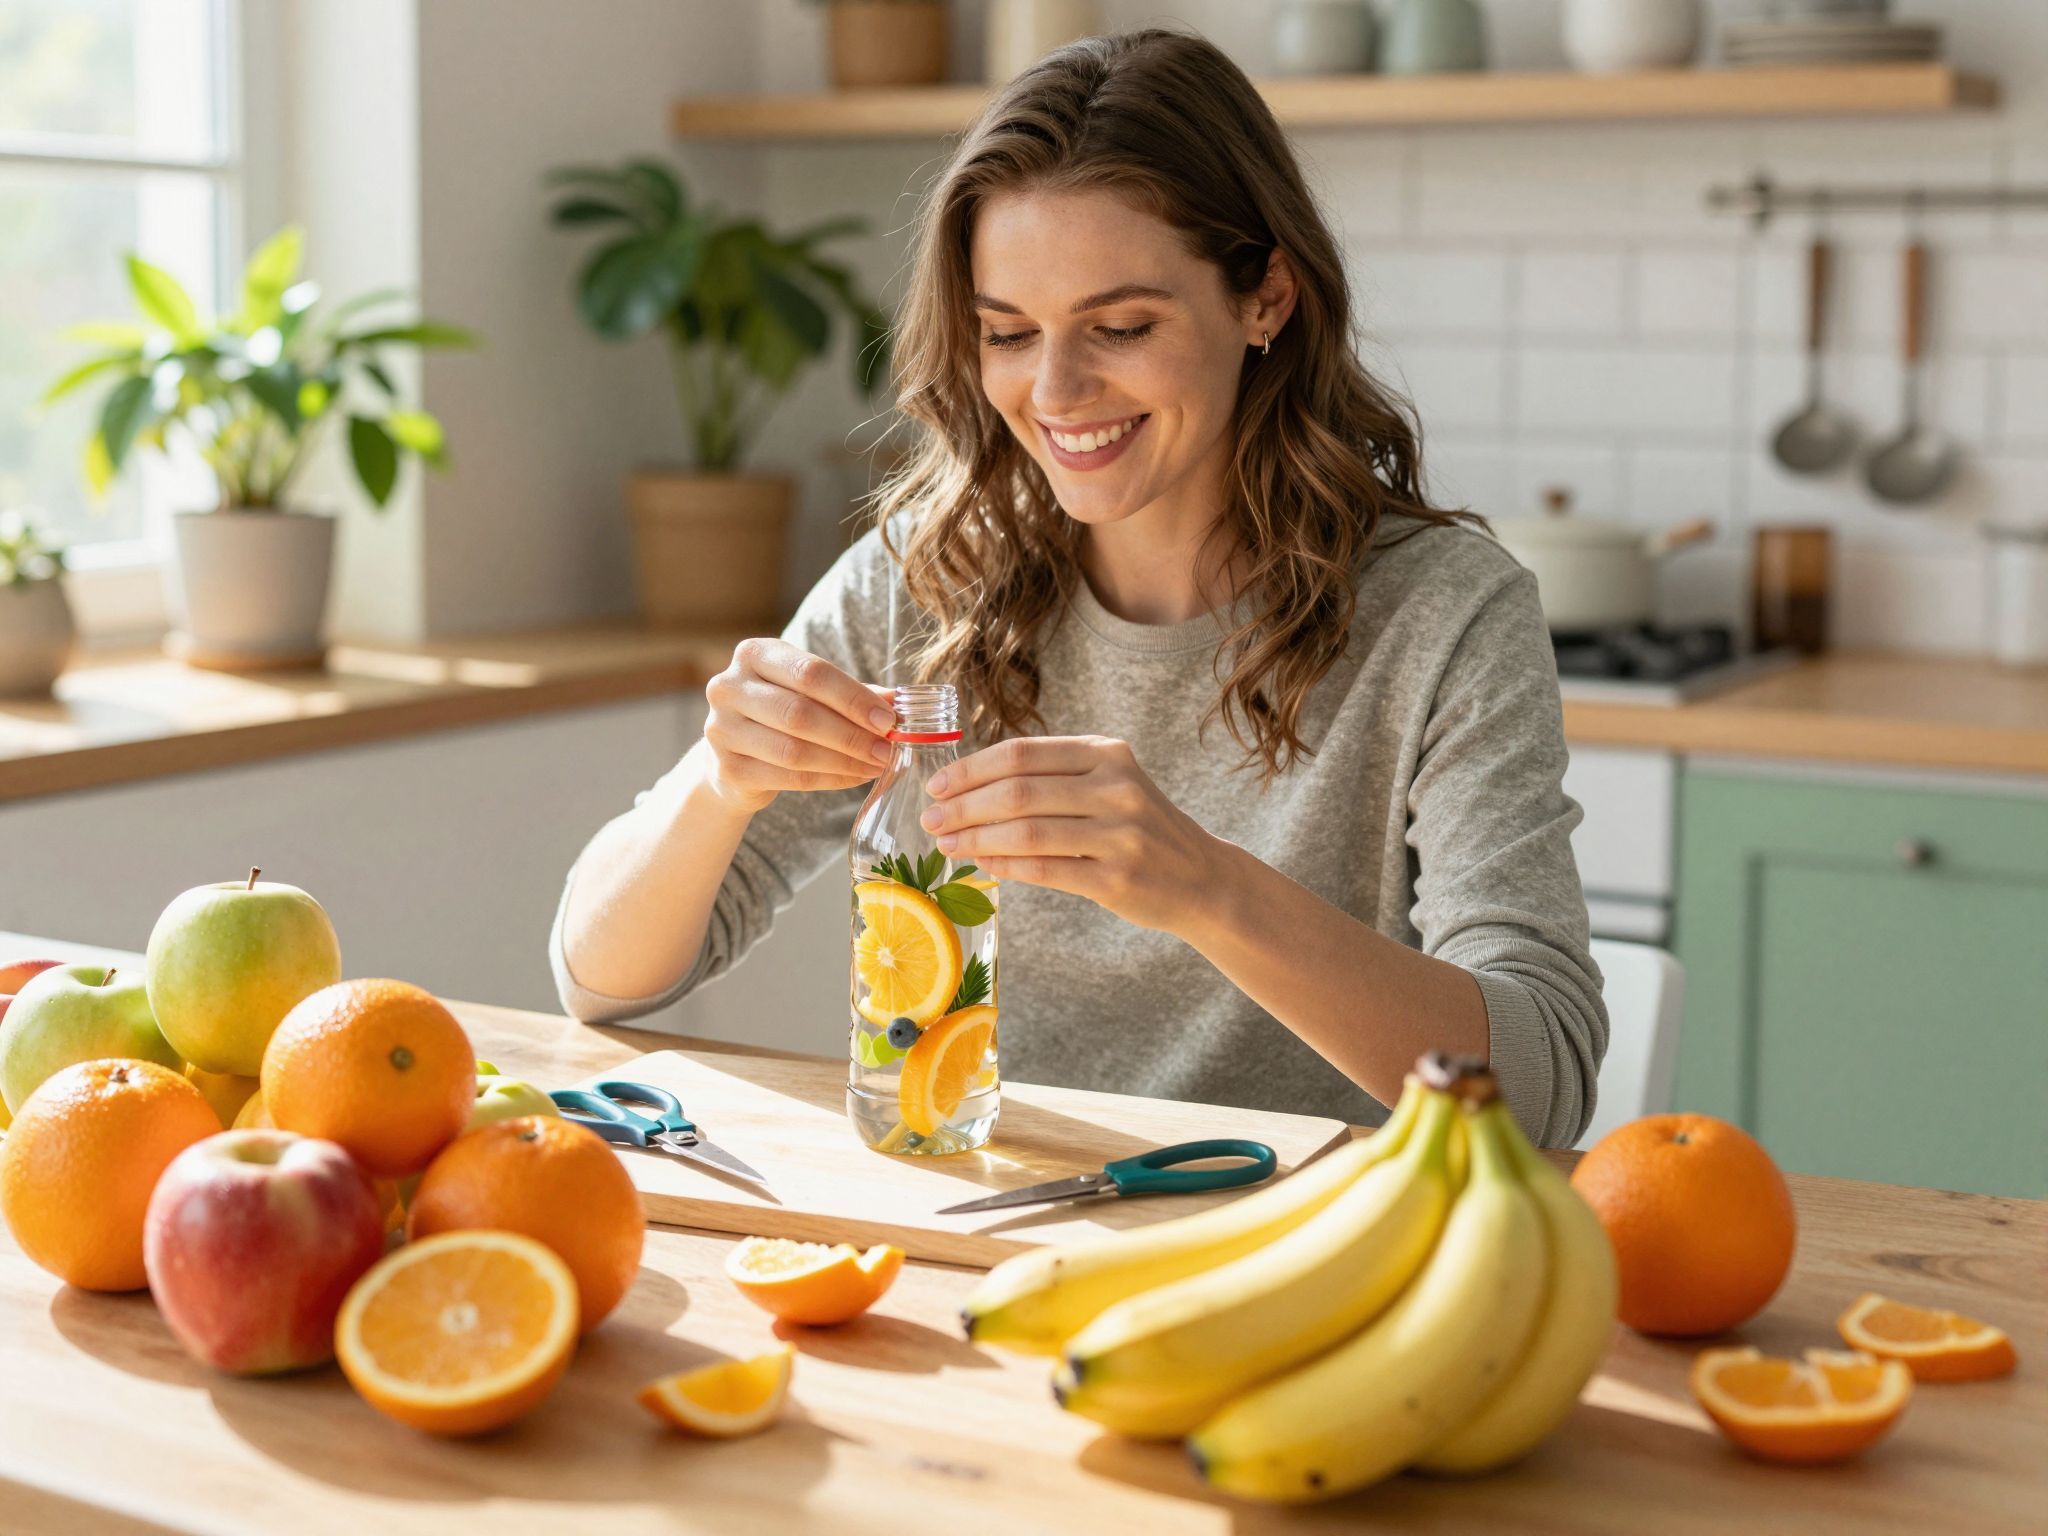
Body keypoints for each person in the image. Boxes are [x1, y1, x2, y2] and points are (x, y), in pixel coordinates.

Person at [551, 29, 1605, 1146]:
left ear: (1266, 300)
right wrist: (721, 783)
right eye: (1006, 333)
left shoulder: (1444, 614)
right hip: (1004, 1234)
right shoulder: (927, 579)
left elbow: (1536, 1095)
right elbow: (600, 979)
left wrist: (1208, 888)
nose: (1054, 390)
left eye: (1120, 327)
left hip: (1316, 1252)